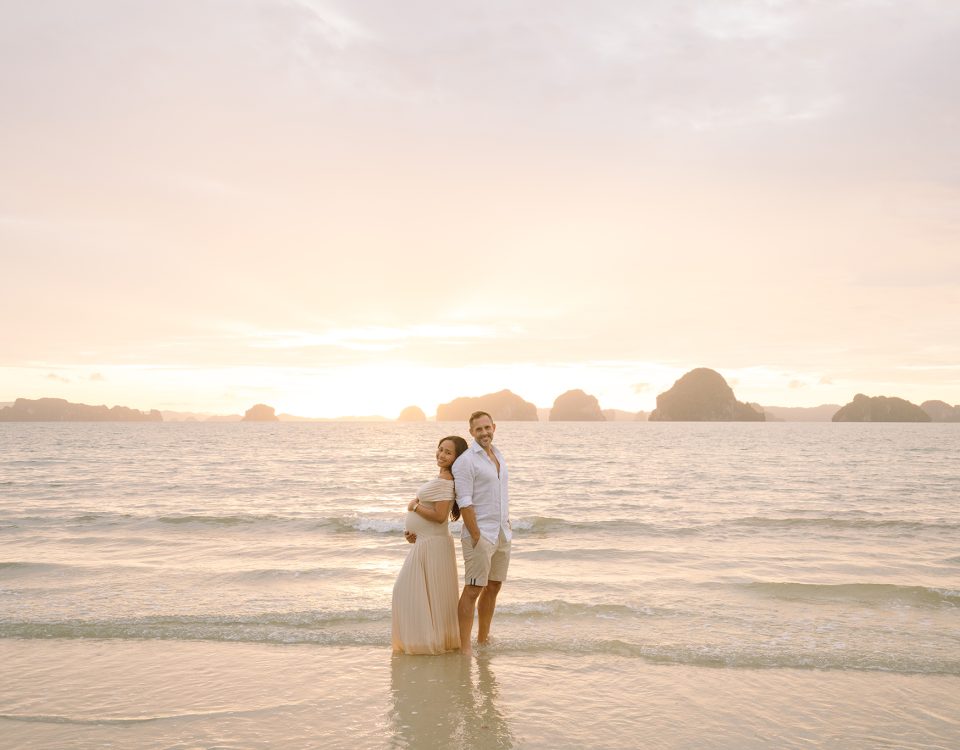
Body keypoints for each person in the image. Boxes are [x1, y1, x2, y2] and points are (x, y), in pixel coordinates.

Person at [392, 435, 469, 654]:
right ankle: (429, 641)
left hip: (432, 545)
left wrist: (414, 507)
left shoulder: (446, 481)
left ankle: (426, 643)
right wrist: (413, 531)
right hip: (427, 541)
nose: (441, 454)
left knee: (403, 590)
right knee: (423, 594)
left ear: (457, 458)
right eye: (440, 449)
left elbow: (440, 516)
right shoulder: (442, 477)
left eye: (448, 452)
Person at [453, 411, 511, 656]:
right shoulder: (466, 461)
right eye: (479, 429)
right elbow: (464, 502)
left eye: (487, 427)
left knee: (494, 586)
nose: (484, 433)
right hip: (480, 535)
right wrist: (476, 536)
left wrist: (506, 523)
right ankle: (464, 647)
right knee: (473, 589)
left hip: (502, 533)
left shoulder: (497, 455)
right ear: (471, 433)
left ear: (494, 427)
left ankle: (483, 639)